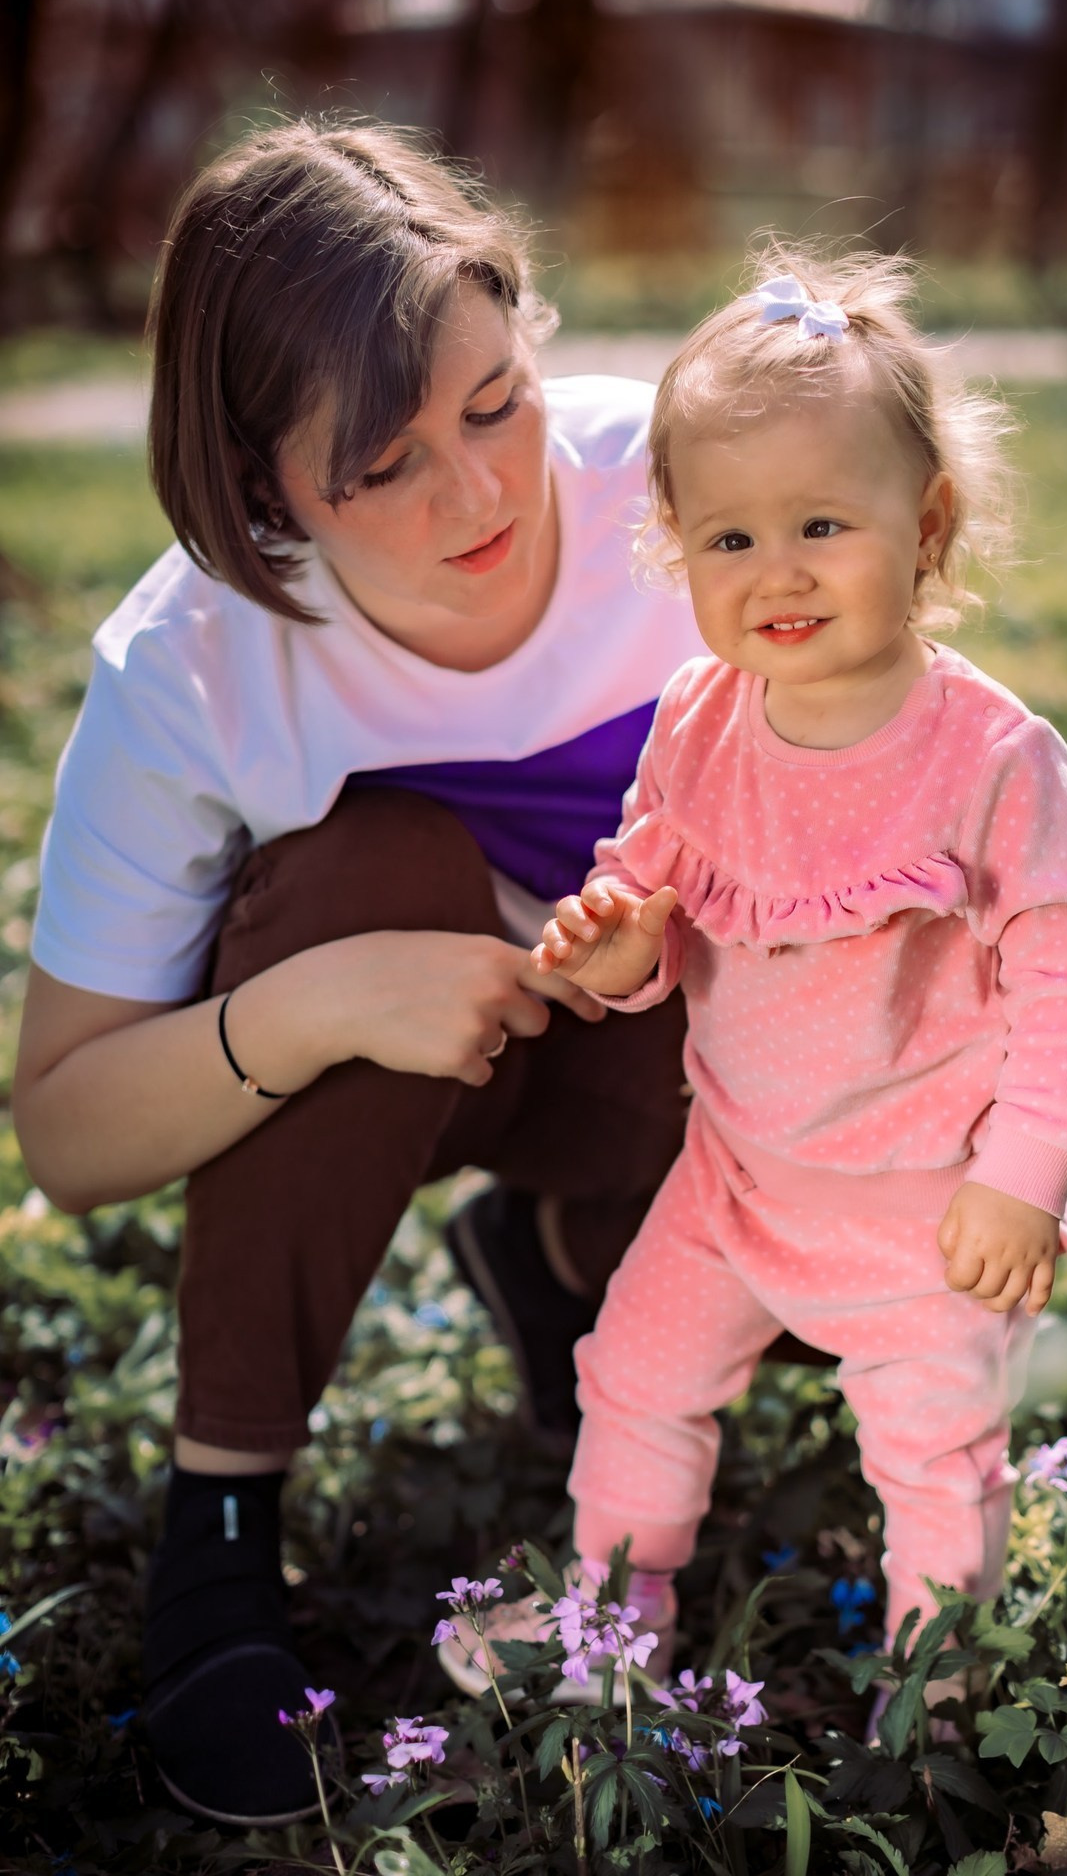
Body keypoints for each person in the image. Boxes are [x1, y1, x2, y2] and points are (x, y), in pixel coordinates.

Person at [11, 119, 711, 1826]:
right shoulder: (196, 668)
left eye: (495, 402)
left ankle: (578, 1269)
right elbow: (68, 1138)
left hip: (669, 1035)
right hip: (386, 1064)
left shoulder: (696, 489)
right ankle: (224, 1525)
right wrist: (323, 999)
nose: (480, 491)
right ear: (265, 487)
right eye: (381, 465)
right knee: (364, 865)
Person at [438, 250, 1067, 1717]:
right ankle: (615, 1633)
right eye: (733, 538)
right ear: (679, 547)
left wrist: (1021, 1173)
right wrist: (623, 958)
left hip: (924, 1205)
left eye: (825, 523)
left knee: (933, 1458)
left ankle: (935, 1700)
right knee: (632, 1376)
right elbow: (656, 895)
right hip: (738, 1175)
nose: (781, 573)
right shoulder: (698, 718)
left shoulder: (990, 758)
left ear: (927, 526)